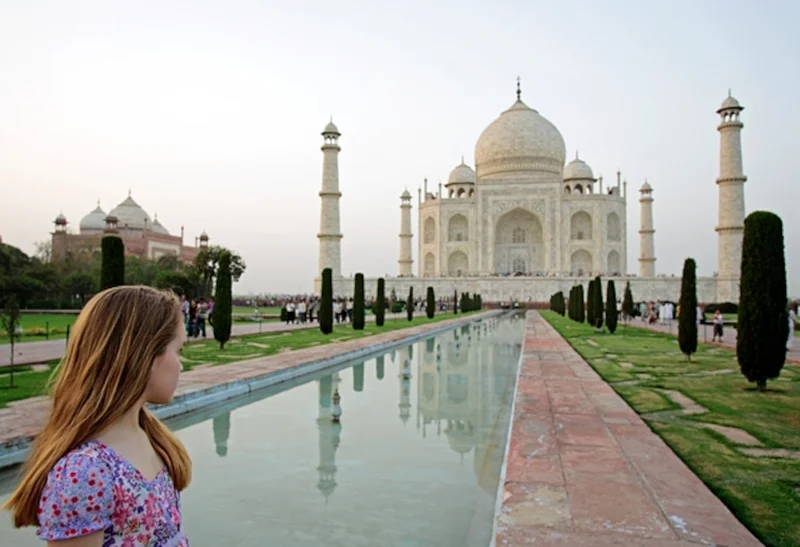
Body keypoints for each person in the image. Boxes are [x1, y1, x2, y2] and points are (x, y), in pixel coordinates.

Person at [3, 285, 192, 545]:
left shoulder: (151, 436)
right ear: (144, 354)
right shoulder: (85, 471)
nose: (181, 364)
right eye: (178, 350)